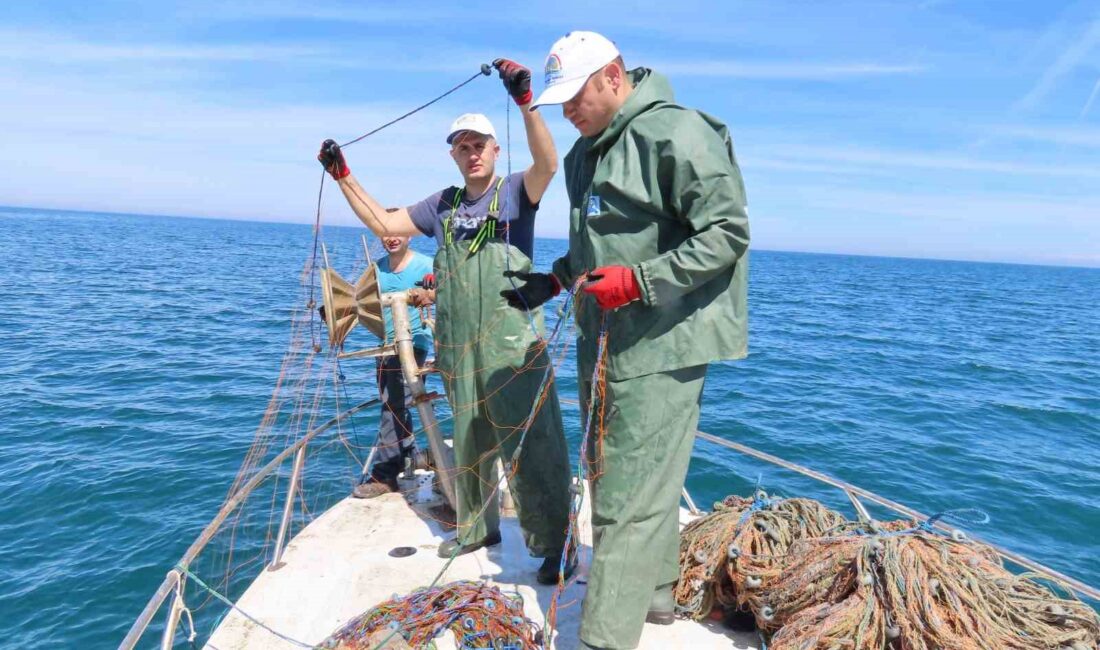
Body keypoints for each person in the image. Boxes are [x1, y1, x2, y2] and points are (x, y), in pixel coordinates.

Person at [503, 32, 750, 649]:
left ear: (613, 76)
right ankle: (657, 593)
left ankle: (602, 640)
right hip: (606, 337)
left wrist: (640, 281)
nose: (568, 112)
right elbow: (599, 246)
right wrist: (554, 281)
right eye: (558, 102)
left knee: (624, 496)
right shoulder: (588, 150)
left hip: (662, 342)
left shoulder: (677, 133)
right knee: (626, 476)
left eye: (576, 96)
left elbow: (727, 232)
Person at [317, 59, 573, 584]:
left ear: (494, 150)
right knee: (471, 441)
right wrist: (343, 174)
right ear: (453, 153)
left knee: (533, 442)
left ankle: (553, 545)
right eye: (463, 145)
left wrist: (526, 101)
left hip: (511, 345)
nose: (472, 151)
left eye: (480, 142)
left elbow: (549, 162)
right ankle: (477, 529)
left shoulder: (517, 192)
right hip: (459, 348)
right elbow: (386, 222)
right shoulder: (443, 205)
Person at [352, 235, 435, 499]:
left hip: (415, 342)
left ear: (409, 235)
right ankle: (409, 453)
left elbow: (445, 294)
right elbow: (360, 302)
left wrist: (430, 292)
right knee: (395, 402)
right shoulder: (376, 268)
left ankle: (387, 473)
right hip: (385, 345)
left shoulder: (426, 265)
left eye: (397, 232)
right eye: (386, 234)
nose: (392, 239)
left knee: (392, 405)